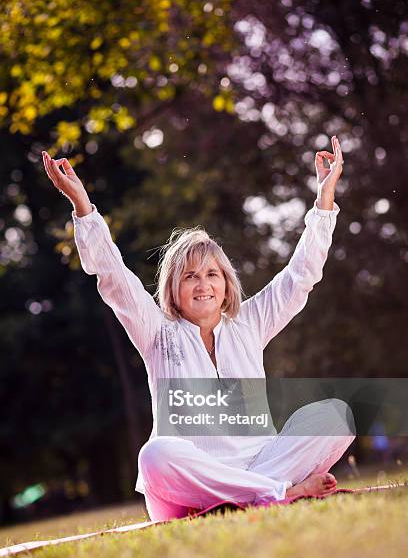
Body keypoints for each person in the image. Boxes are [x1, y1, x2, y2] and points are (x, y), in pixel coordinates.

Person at [42, 135, 355, 521]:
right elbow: (113, 277)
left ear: (226, 283)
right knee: (155, 455)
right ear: (173, 288)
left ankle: (251, 495)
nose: (203, 284)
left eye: (212, 274)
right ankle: (275, 493)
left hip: (258, 465)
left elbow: (300, 276)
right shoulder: (158, 332)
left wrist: (324, 201)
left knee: (336, 415)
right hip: (187, 486)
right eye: (190, 276)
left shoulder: (250, 323)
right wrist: (82, 205)